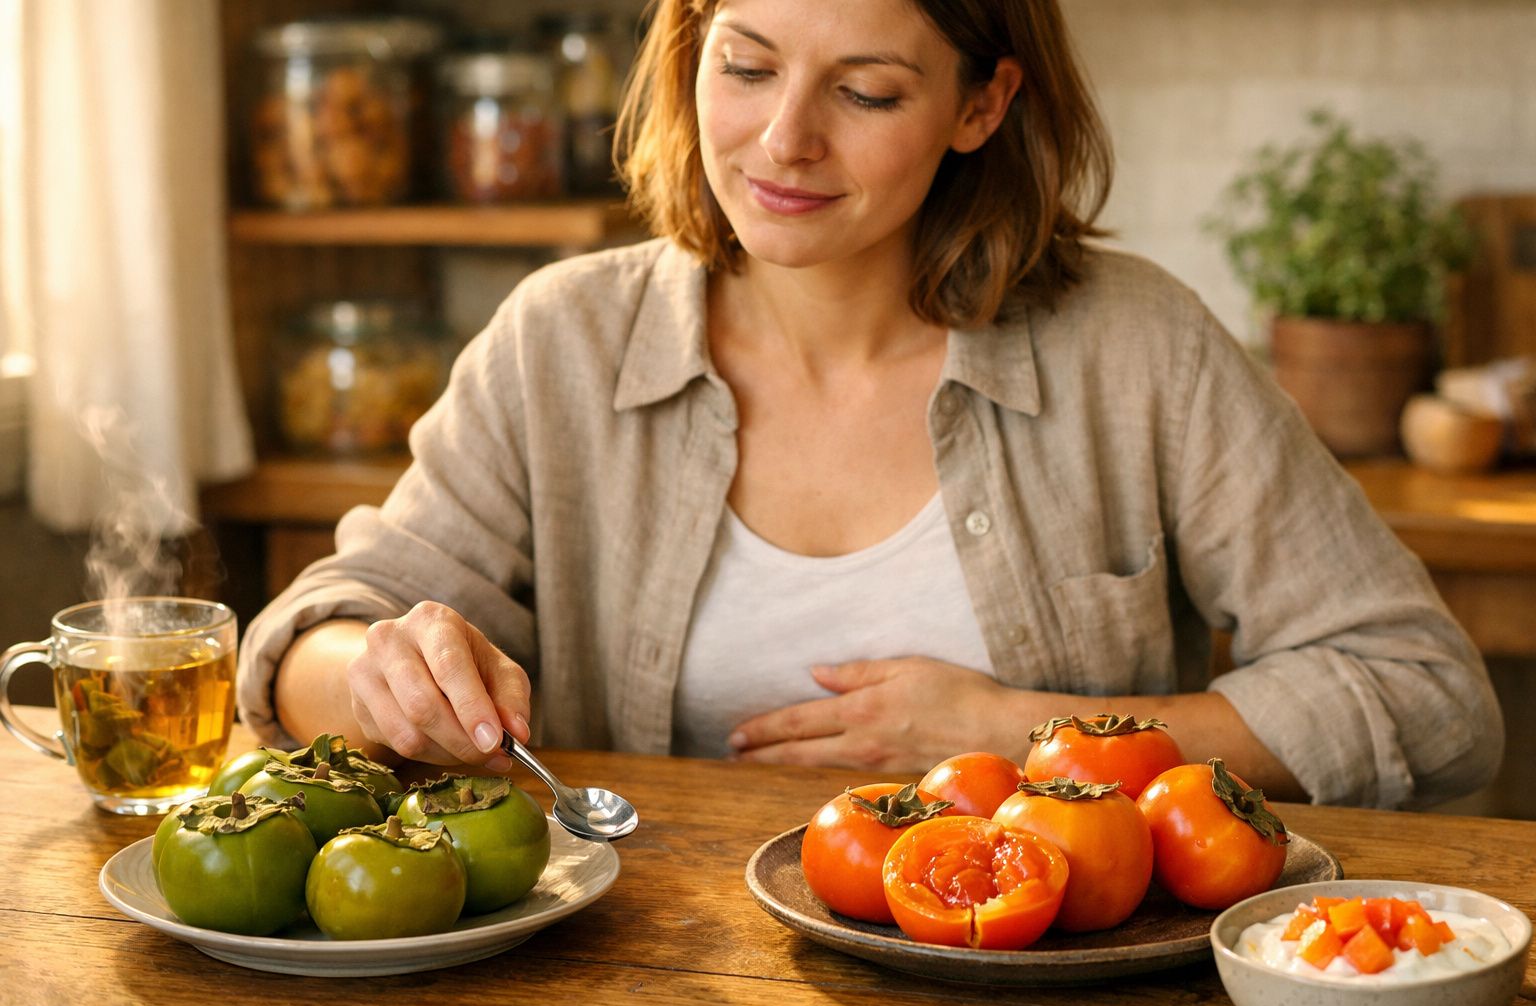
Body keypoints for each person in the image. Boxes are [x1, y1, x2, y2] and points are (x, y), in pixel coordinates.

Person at [237, 0, 1502, 809]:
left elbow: (1423, 695)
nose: (783, 140)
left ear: (981, 103)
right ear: (687, 48)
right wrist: (380, 678)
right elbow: (306, 643)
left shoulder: (1138, 347)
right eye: (745, 65)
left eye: (868, 91)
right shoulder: (559, 342)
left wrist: (1025, 734)